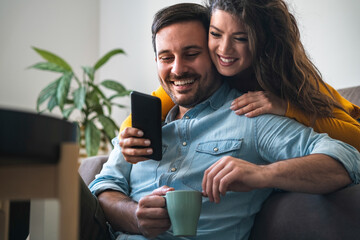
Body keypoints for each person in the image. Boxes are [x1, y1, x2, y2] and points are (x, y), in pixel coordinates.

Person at [86, 3, 360, 240]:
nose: (178, 68)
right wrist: (134, 215)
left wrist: (262, 175)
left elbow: (347, 158)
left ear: (213, 57)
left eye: (192, 54)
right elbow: (102, 186)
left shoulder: (253, 114)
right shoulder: (148, 119)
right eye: (165, 57)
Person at [119, 0, 360, 152]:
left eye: (241, 38)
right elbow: (151, 106)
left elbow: (355, 137)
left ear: (262, 41)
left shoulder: (285, 76)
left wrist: (285, 107)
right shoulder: (207, 70)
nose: (224, 50)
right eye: (215, 34)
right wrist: (127, 137)